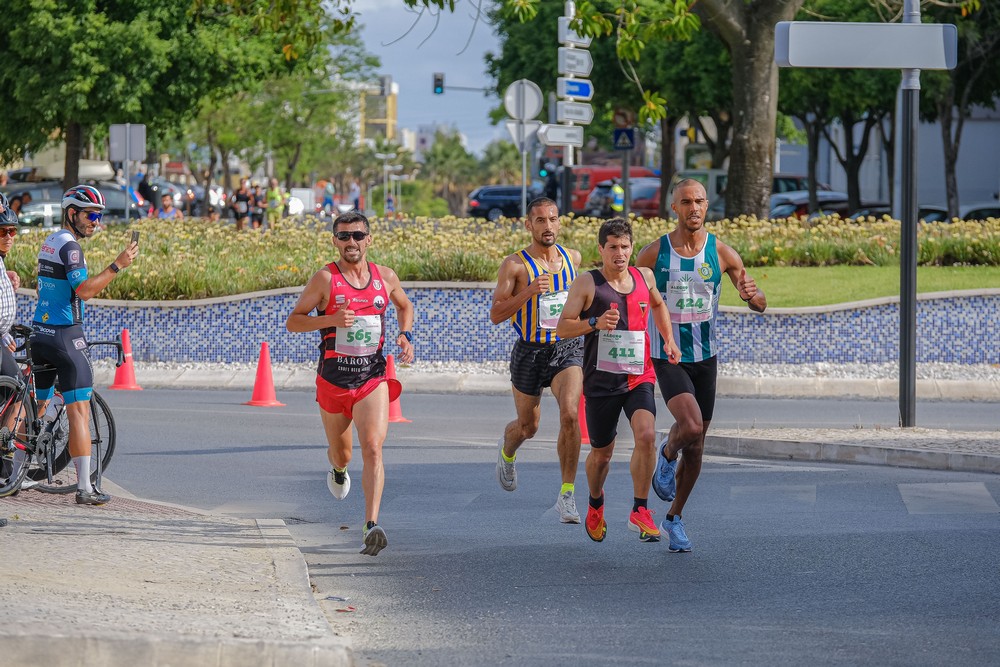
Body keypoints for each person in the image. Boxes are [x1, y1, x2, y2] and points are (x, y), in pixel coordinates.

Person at [636, 179, 766, 552]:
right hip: (669, 353)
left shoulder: (722, 253)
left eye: (699, 202)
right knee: (689, 425)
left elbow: (760, 303)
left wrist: (752, 296)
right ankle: (665, 452)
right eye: (686, 202)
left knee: (696, 445)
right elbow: (624, 289)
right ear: (673, 207)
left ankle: (674, 518)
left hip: (706, 356)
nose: (693, 208)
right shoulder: (653, 253)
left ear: (707, 206)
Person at [285, 210, 415, 556]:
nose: (351, 242)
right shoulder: (325, 280)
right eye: (344, 236)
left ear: (369, 240)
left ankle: (371, 525)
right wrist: (330, 319)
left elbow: (405, 306)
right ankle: (338, 468)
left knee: (373, 447)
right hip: (333, 380)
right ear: (335, 241)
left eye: (358, 235)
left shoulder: (384, 277)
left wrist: (405, 335)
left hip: (372, 377)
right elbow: (293, 322)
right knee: (342, 452)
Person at [556, 217, 680, 543]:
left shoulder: (644, 276)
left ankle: (640, 509)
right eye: (613, 247)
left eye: (625, 247)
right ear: (601, 249)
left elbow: (658, 305)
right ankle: (596, 502)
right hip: (600, 381)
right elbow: (563, 327)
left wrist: (668, 339)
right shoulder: (588, 283)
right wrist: (594, 322)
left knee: (648, 435)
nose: (620, 253)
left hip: (639, 375)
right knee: (602, 454)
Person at [31, 185, 138, 505]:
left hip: (41, 332)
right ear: (71, 213)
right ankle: (85, 488)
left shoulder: (50, 241)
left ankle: (15, 462)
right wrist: (118, 265)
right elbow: (86, 290)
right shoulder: (72, 249)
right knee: (79, 412)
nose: (96, 221)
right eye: (90, 215)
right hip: (65, 335)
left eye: (99, 216)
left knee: (37, 407)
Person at [489, 197, 585, 523]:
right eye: (540, 220)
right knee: (528, 427)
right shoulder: (514, 265)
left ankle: (567, 493)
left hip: (566, 349)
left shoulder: (573, 258)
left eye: (553, 219)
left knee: (570, 414)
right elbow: (496, 314)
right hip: (529, 351)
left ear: (560, 223)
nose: (548, 226)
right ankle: (507, 452)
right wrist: (528, 292)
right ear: (529, 225)